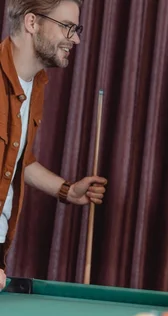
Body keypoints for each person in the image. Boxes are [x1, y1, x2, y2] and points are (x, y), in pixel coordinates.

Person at [0, 0, 107, 290]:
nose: (76, 39)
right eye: (68, 28)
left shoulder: (35, 84)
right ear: (32, 23)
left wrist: (68, 191)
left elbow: (18, 159)